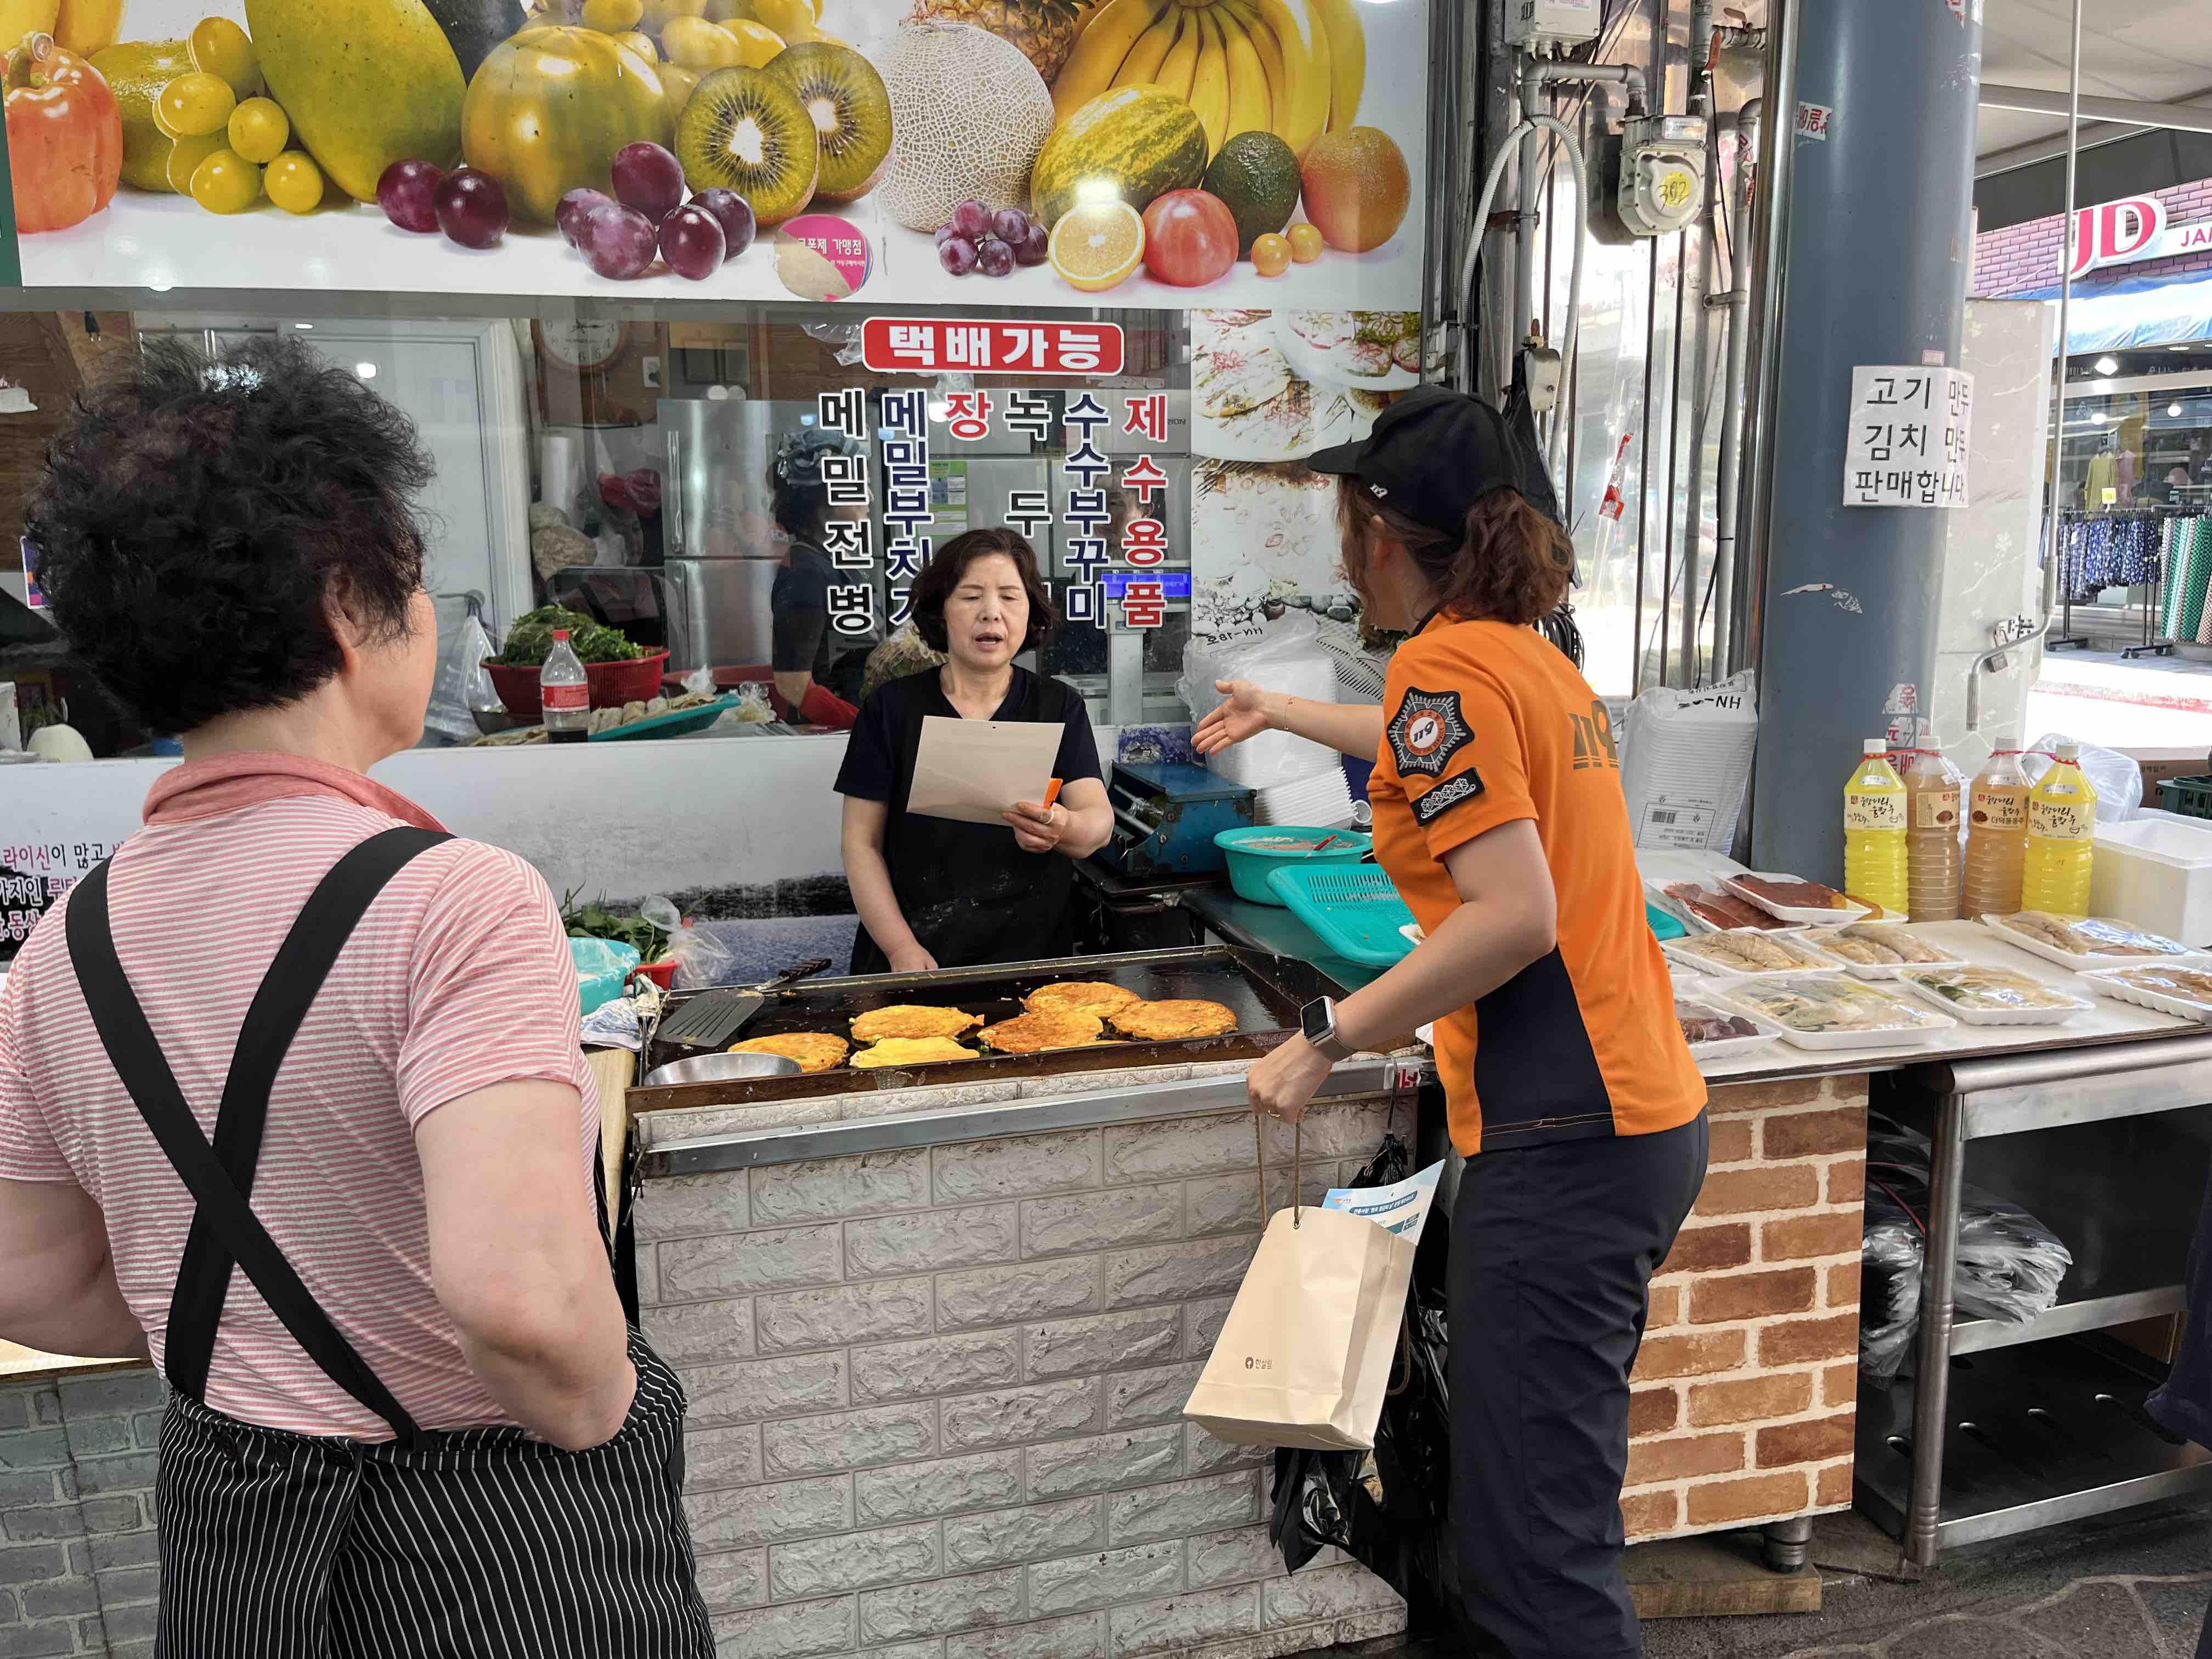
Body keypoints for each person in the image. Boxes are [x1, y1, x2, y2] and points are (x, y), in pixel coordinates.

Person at [0, 336, 712, 1657]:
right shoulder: (456, 901)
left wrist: (260, 1346)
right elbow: (524, 1311)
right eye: (415, 577)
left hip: (230, 1531)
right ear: (346, 602)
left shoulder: (62, 945)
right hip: (489, 1543)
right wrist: (604, 1406)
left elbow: (27, 1274)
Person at [1198, 384, 1708, 1659]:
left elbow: (1515, 916)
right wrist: (1281, 709)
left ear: (1379, 533)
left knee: (1537, 1559)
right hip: (1627, 1118)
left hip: (1565, 1133)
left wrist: (1327, 1035)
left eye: (1347, 525)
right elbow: (1416, 740)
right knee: (1525, 1515)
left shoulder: (1449, 667)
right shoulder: (1525, 658)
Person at [838, 527, 1113, 973]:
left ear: (1030, 611)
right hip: (910, 954)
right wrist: (899, 948)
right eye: (970, 597)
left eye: (1010, 597)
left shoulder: (1057, 705)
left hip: (1032, 958)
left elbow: (1097, 825)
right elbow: (859, 843)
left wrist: (1063, 828)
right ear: (941, 610)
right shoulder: (891, 709)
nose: (991, 613)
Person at [768, 423, 863, 728]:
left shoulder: (826, 558)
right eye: (858, 488)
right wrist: (864, 724)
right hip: (828, 736)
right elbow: (792, 684)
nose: (870, 497)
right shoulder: (804, 572)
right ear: (823, 500)